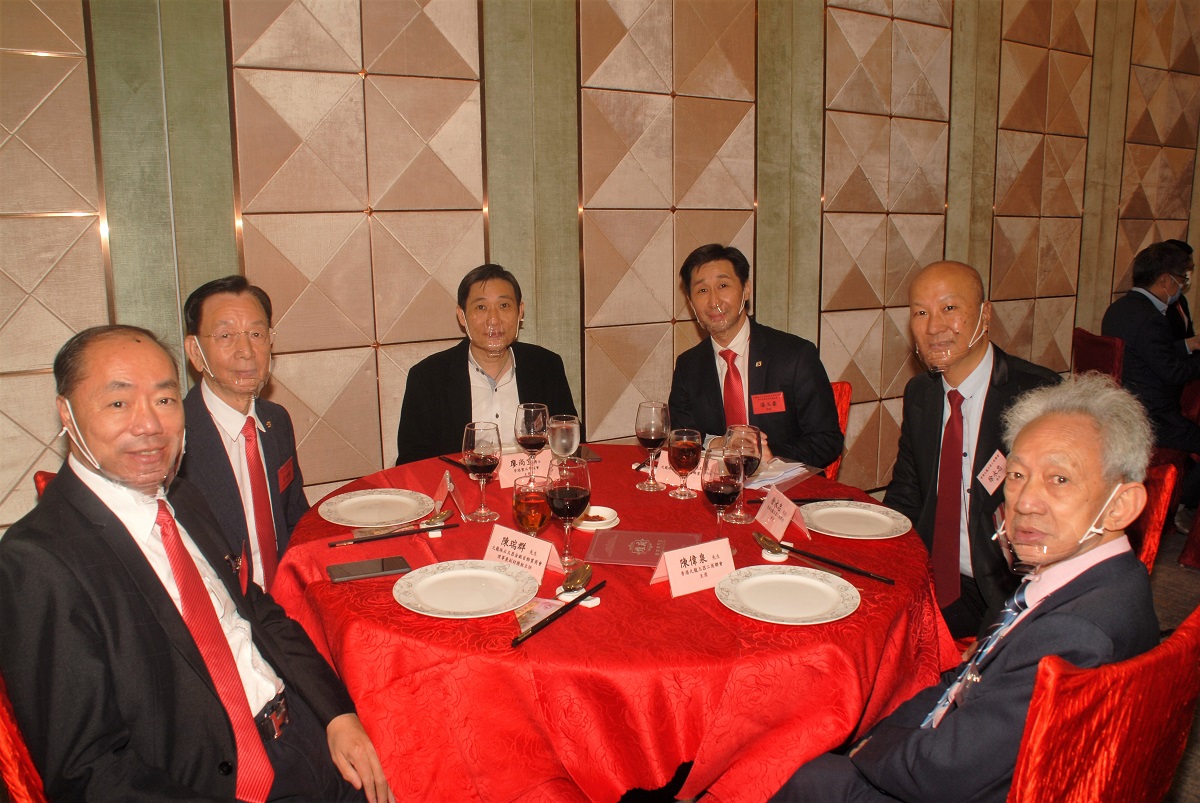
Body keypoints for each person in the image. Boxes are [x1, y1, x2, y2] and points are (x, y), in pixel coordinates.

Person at [0, 325, 391, 802]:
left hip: (304, 737)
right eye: (119, 403)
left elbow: (258, 613)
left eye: (165, 400)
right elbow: (89, 773)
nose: (149, 425)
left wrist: (336, 713)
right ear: (67, 413)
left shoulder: (181, 498)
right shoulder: (38, 560)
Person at [771, 373, 1161, 802]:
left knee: (805, 776)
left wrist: (867, 750)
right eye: (1017, 474)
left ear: (1121, 505)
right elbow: (967, 680)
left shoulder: (1073, 634)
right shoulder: (1115, 577)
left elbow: (945, 771)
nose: (1024, 502)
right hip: (973, 739)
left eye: (1060, 479)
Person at [884, 261, 1059, 638]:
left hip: (1010, 587)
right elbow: (906, 495)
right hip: (935, 578)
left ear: (985, 314)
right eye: (920, 313)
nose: (934, 327)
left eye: (949, 308)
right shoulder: (921, 394)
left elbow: (1058, 520)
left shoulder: (1036, 395)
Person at [179, 275, 307, 591]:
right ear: (195, 352)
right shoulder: (174, 439)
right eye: (226, 336)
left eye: (256, 334)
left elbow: (296, 521)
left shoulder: (276, 421)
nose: (247, 351)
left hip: (285, 599)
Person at [667, 243, 843, 468]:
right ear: (691, 302)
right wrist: (718, 444)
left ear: (746, 289)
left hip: (784, 483)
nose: (714, 301)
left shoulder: (795, 356)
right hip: (715, 483)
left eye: (723, 285)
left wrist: (769, 453)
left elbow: (827, 440)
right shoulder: (688, 366)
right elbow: (681, 438)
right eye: (702, 290)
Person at [395, 263, 577, 464]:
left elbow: (571, 443)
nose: (493, 319)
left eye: (504, 306)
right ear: (462, 316)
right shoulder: (427, 378)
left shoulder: (546, 366)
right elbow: (412, 463)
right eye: (481, 307)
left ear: (520, 312)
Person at [1102, 242, 1200, 529]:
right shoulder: (1151, 319)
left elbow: (1147, 354)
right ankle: (1182, 503)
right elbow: (1173, 372)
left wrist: (1187, 346)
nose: (1183, 286)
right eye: (1182, 279)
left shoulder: (1119, 308)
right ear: (1166, 280)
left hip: (1124, 407)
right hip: (1152, 417)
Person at [1164, 239, 1195, 344]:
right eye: (1185, 269)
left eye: (1191, 269)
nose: (1188, 274)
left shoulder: (1181, 300)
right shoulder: (1160, 304)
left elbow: (1189, 336)